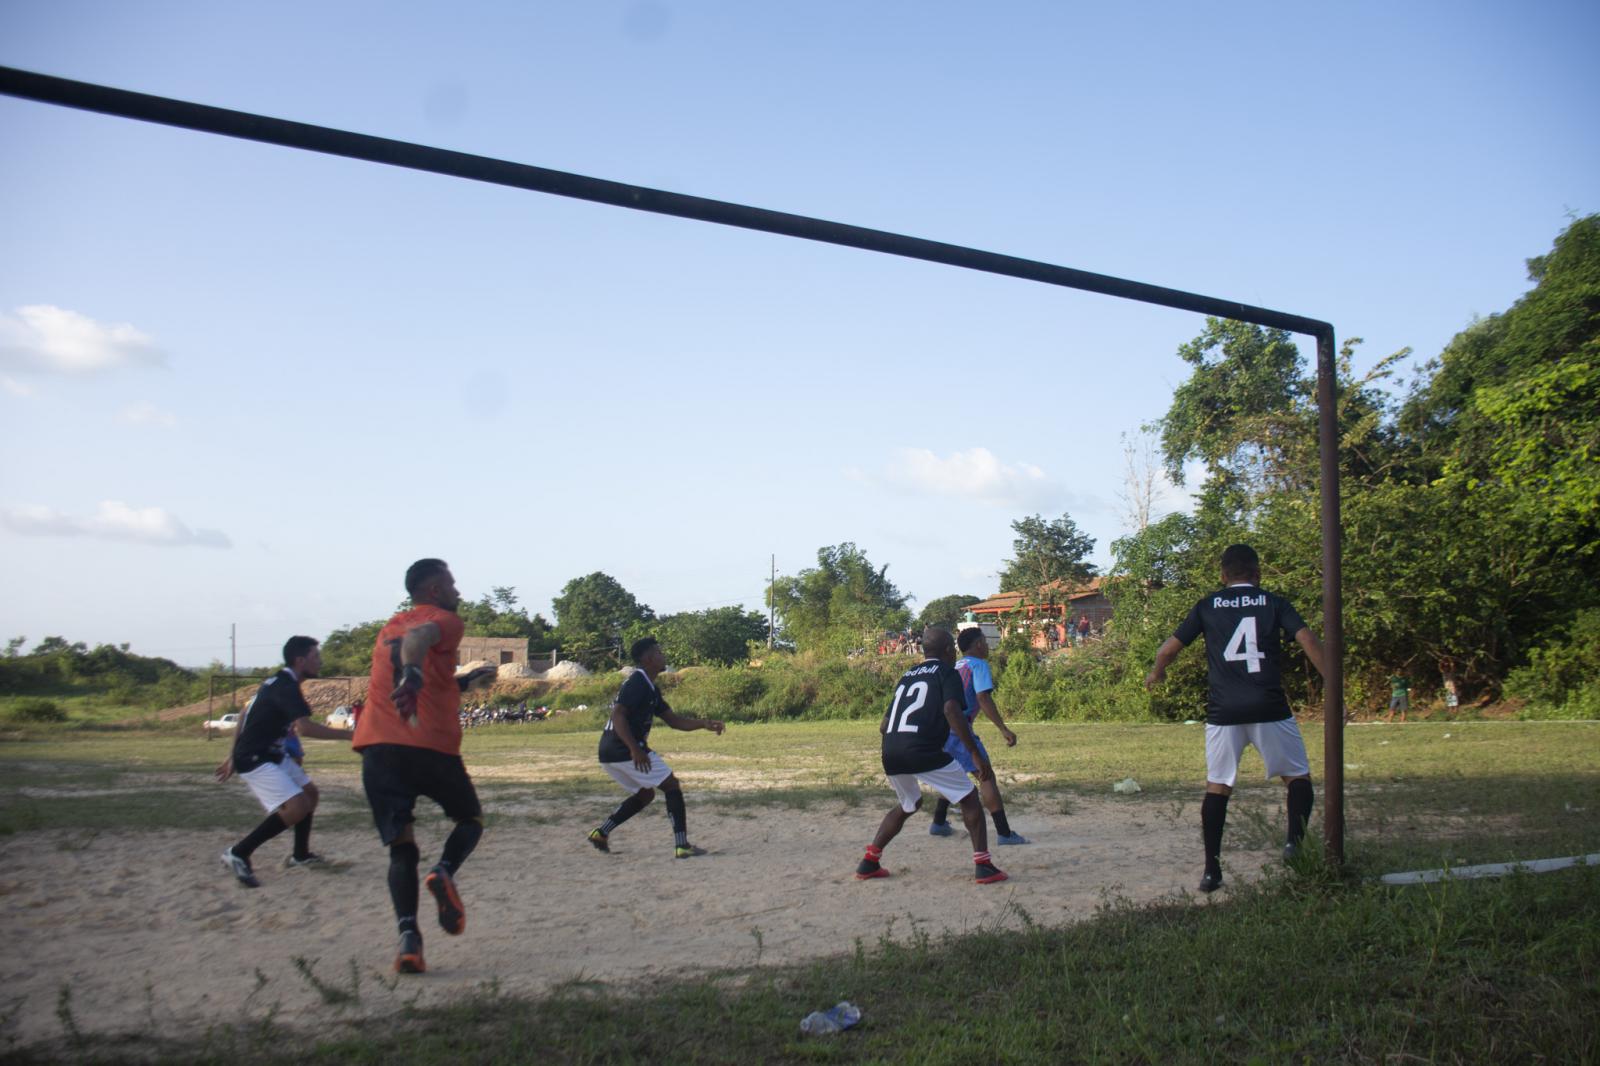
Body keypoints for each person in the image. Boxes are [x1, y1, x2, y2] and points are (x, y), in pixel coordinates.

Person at [1145, 544, 1325, 893]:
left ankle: (1212, 869)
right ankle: (1294, 844)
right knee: (1296, 776)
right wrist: (1334, 683)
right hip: (1269, 704)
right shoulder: (1274, 602)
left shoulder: (1207, 605)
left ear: (1223, 575)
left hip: (1224, 711)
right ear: (1257, 574)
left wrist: (1157, 673)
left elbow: (1167, 650)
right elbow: (1308, 640)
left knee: (1219, 785)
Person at [353, 559, 497, 974]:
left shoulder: (388, 628)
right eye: (452, 584)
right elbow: (420, 640)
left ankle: (408, 940)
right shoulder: (445, 620)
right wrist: (413, 674)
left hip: (379, 748)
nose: (458, 592)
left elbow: (412, 650)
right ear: (435, 589)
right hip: (429, 747)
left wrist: (463, 682)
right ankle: (445, 871)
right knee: (469, 819)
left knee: (401, 849)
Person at [856, 627, 1008, 885]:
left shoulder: (907, 676)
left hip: (890, 750)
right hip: (921, 749)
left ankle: (869, 861)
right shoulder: (947, 673)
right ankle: (984, 866)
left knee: (909, 804)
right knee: (970, 799)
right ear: (949, 651)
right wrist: (973, 752)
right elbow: (951, 709)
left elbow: (883, 725)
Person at [218, 637, 353, 887]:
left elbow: (247, 713)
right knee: (296, 806)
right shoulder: (287, 686)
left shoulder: (277, 681)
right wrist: (348, 735)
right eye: (316, 656)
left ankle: (300, 856)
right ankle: (239, 852)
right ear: (300, 660)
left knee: (310, 795)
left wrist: (230, 754)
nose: (320, 660)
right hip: (255, 757)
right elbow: (305, 728)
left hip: (271, 753)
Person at [588, 637, 725, 857]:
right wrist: (635, 749)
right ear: (648, 658)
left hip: (609, 751)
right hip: (622, 747)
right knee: (671, 785)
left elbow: (674, 720)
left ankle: (601, 833)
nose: (664, 656)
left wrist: (703, 724)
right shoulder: (638, 682)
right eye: (659, 652)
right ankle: (682, 845)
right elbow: (618, 714)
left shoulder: (650, 687)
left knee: (645, 795)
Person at [928, 628, 1028, 845]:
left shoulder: (955, 666)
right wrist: (1003, 729)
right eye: (984, 640)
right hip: (959, 728)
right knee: (986, 776)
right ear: (978, 645)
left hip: (941, 730)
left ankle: (938, 822)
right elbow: (983, 697)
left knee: (954, 775)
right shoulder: (979, 665)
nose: (987, 645)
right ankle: (1004, 833)